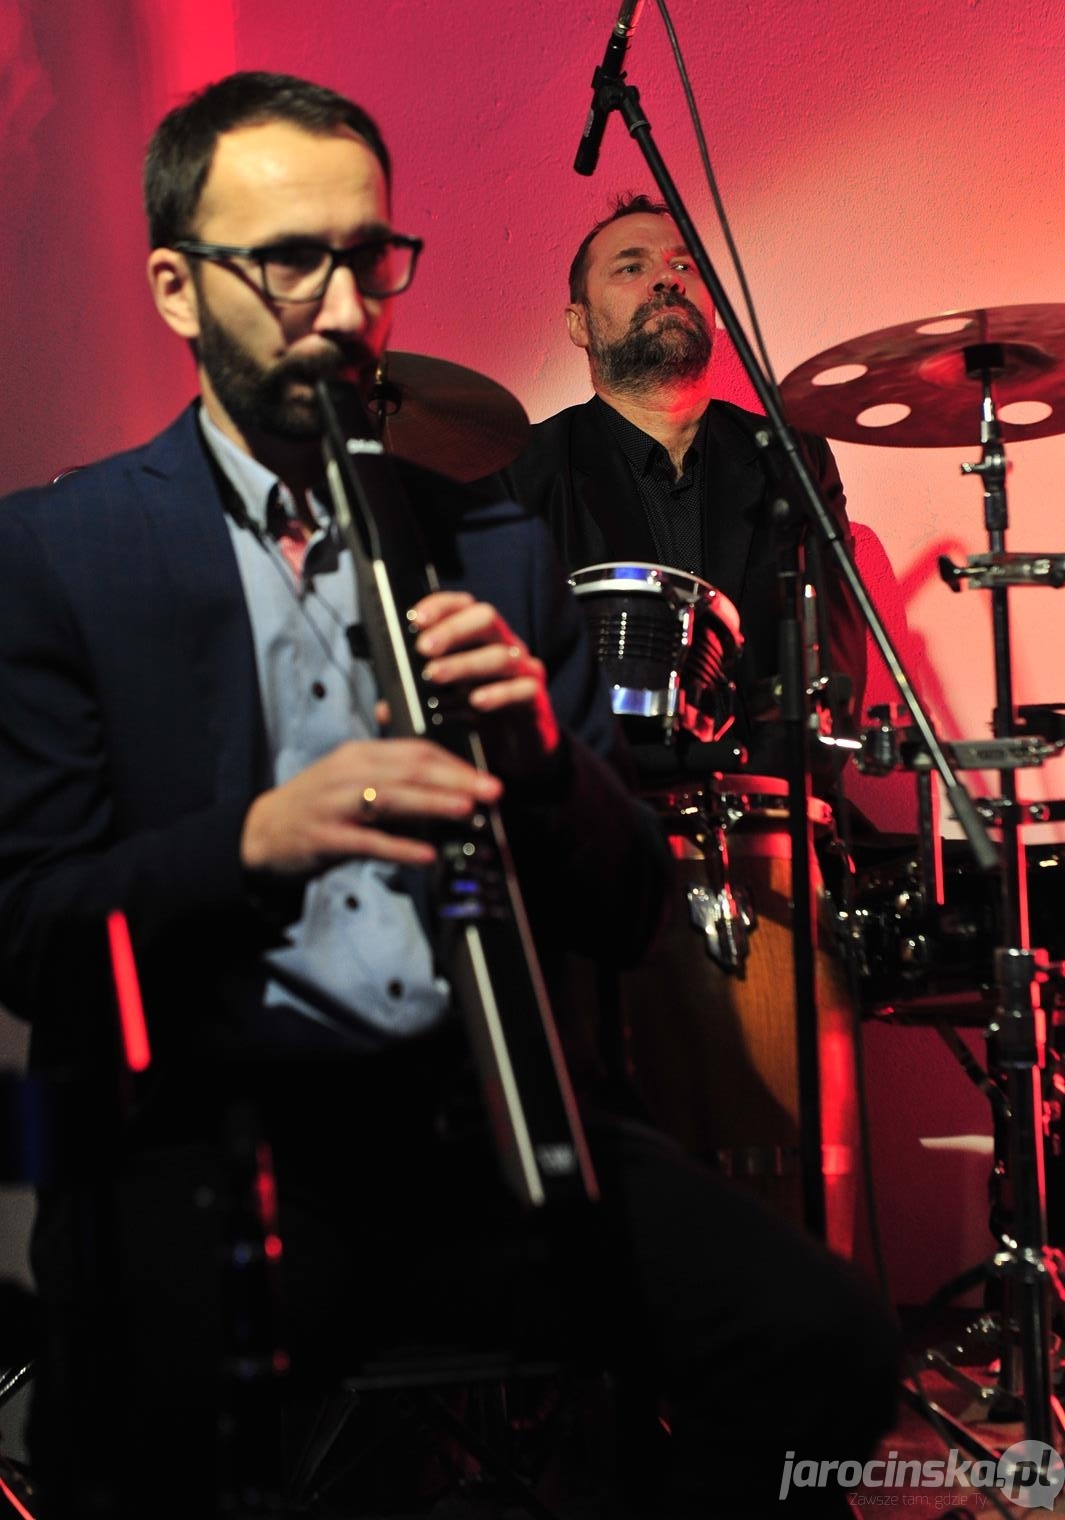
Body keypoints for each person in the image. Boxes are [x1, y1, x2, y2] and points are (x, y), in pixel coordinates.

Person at [0, 74, 896, 1518]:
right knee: (136, 1445)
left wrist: (541, 758)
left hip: (478, 1136)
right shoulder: (57, 553)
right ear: (176, 288)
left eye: (369, 259)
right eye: (287, 263)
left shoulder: (490, 539)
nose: (343, 307)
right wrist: (258, 840)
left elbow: (629, 907)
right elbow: (33, 931)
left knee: (827, 1344)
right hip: (208, 1148)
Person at [504, 192, 868, 777]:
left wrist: (758, 806)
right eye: (631, 267)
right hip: (600, 812)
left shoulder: (792, 457)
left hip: (768, 810)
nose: (666, 280)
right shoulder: (520, 472)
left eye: (683, 265)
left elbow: (831, 677)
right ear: (579, 323)